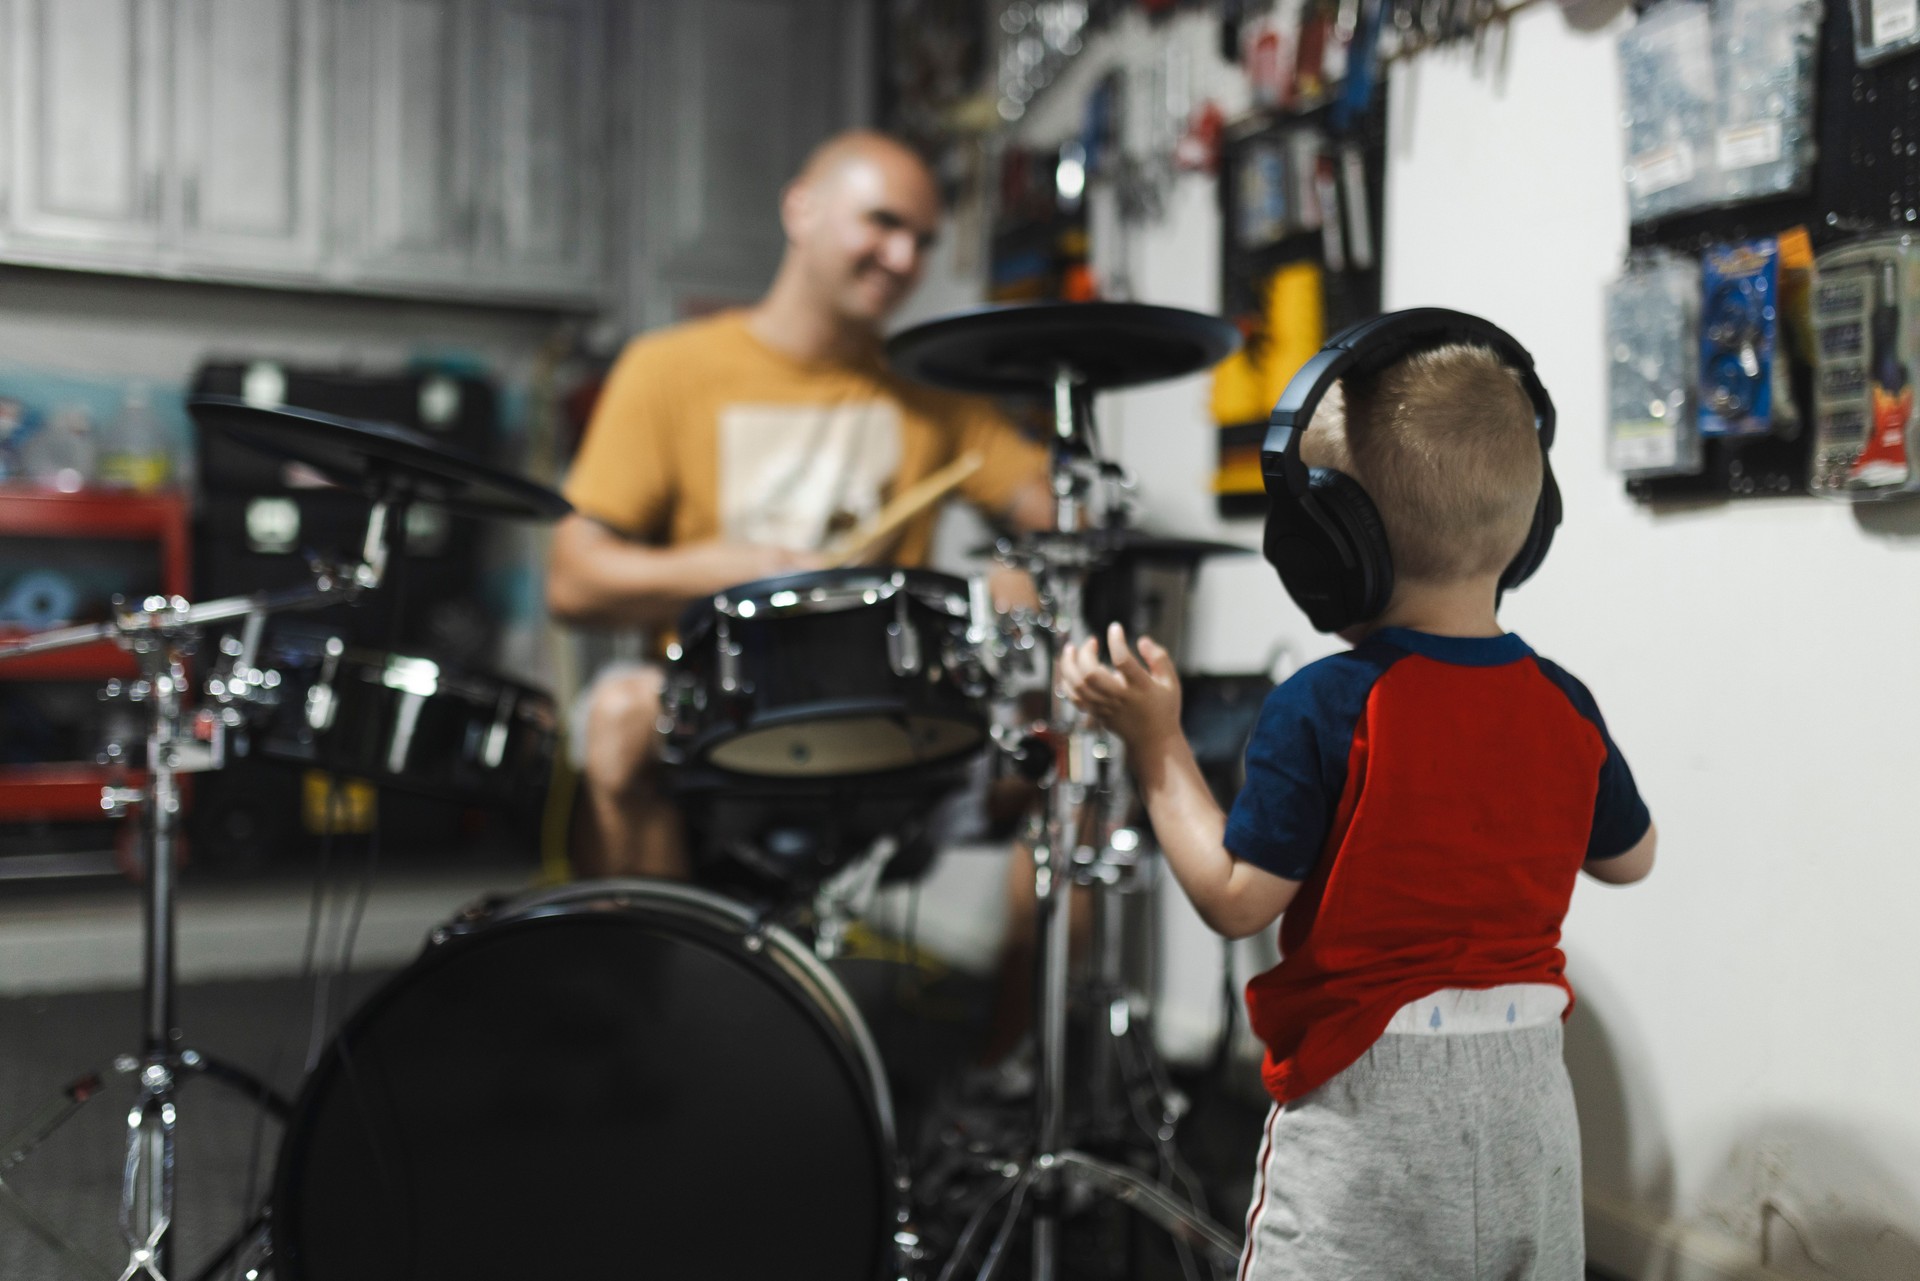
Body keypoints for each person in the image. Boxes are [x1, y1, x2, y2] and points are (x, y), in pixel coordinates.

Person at [1059, 343, 1657, 1280]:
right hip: (1533, 1101)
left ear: (1332, 545)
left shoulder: (1326, 702)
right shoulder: (1564, 700)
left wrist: (1157, 742)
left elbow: (1235, 898)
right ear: (1528, 527)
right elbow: (1632, 857)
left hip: (1372, 1107)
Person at [545, 130, 1053, 879]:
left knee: (1075, 758)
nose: (906, 259)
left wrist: (1020, 574)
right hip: (715, 704)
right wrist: (730, 567)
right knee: (620, 718)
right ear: (801, 210)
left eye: (922, 239)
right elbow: (572, 580)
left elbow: (1049, 508)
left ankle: (1024, 1003)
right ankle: (655, 988)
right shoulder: (668, 369)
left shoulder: (933, 395)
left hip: (884, 711)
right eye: (882, 223)